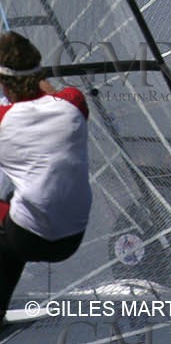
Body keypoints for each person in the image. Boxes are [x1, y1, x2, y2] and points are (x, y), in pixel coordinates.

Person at [0, 32, 91, 323]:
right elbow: (49, 93)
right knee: (14, 209)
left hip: (28, 238)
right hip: (71, 238)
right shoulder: (73, 103)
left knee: (10, 222)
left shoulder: (4, 119)